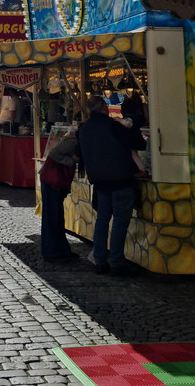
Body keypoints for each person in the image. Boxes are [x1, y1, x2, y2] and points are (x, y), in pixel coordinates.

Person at [77, 95, 146, 276]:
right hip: (120, 180)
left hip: (100, 182)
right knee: (120, 223)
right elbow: (138, 143)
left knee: (102, 221)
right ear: (104, 108)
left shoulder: (83, 130)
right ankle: (116, 263)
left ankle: (100, 260)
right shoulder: (113, 126)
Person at [39, 130, 80, 260]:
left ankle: (60, 249)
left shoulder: (74, 142)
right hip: (53, 180)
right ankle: (50, 251)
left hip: (56, 181)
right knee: (52, 217)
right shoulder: (72, 142)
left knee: (57, 217)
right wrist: (71, 160)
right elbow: (54, 153)